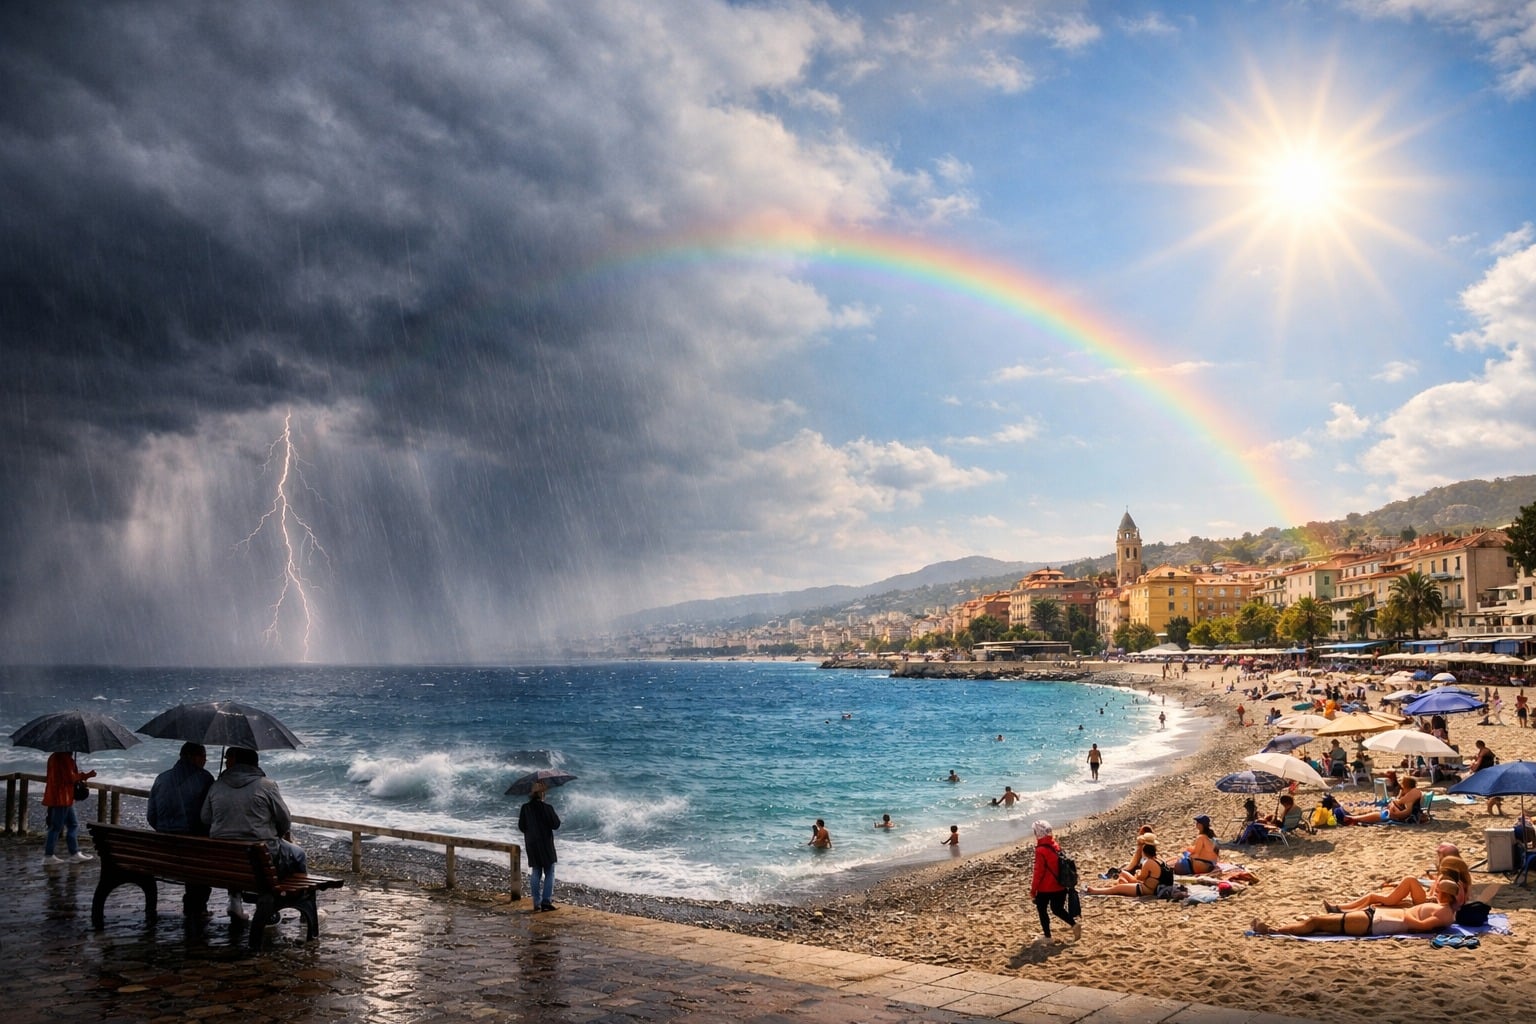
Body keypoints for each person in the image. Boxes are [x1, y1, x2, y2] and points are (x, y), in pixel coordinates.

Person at [202, 747, 306, 920]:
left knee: (239, 856)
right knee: (299, 854)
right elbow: (285, 820)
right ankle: (303, 906)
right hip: (262, 855)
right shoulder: (267, 785)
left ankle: (234, 900)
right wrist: (278, 834)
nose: (226, 762)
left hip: (225, 857)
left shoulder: (217, 785)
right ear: (255, 764)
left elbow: (205, 818)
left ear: (236, 762)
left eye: (228, 759)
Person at [1253, 878, 1459, 936]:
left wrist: (1406, 916)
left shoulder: (1443, 913)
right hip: (1379, 917)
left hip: (1377, 922)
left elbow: (1422, 927)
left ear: (1445, 894)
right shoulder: (1444, 909)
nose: (1436, 892)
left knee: (1316, 922)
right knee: (1319, 922)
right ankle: (1276, 929)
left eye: (1439, 890)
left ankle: (1272, 930)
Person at [147, 742, 214, 917]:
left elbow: (151, 816)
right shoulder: (205, 779)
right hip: (192, 851)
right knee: (202, 853)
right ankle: (197, 905)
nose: (205, 760)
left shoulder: (161, 778)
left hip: (163, 850)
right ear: (192, 757)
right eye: (203, 756)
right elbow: (208, 818)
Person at [1324, 844, 1470, 912]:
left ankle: (1342, 909)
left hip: (1428, 903)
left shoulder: (1454, 880)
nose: (1438, 859)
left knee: (1381, 896)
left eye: (1440, 856)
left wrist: (1434, 896)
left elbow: (1452, 903)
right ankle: (1341, 908)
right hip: (1427, 901)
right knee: (1376, 899)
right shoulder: (1454, 877)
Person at [1029, 820, 1080, 943]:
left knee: (1042, 910)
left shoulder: (1040, 850)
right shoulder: (1055, 846)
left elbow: (1038, 872)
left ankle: (1047, 936)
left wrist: (1033, 890)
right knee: (1057, 909)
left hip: (1045, 888)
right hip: (1060, 885)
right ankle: (1074, 924)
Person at [42, 750, 96, 865]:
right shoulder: (64, 758)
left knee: (72, 824)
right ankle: (49, 855)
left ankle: (74, 853)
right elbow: (70, 778)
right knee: (56, 827)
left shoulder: (53, 756)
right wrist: (86, 775)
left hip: (59, 796)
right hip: (62, 798)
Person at [518, 781, 562, 912]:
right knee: (549, 871)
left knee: (536, 871)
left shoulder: (525, 808)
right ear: (542, 794)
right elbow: (556, 824)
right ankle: (546, 902)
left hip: (531, 843)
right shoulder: (547, 808)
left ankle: (536, 903)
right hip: (545, 843)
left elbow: (521, 827)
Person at [1086, 840, 1170, 897]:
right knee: (1122, 873)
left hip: (1146, 889)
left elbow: (1141, 878)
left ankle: (1095, 891)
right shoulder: (1159, 859)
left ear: (1144, 852)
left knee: (1117, 889)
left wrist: (1138, 873)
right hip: (1151, 885)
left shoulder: (1148, 862)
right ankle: (1123, 882)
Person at [1342, 776, 1421, 824]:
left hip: (1402, 817)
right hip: (1394, 812)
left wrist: (1396, 814)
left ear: (1406, 786)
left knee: (1379, 815)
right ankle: (1355, 818)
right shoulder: (1409, 793)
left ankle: (1354, 819)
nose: (1401, 788)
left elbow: (1407, 812)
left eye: (1402, 786)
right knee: (1377, 813)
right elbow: (1399, 800)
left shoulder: (1412, 794)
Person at [1469, 740, 1504, 815]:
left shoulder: (1483, 751)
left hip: (1485, 771)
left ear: (1478, 745)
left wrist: (1473, 768)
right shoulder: (1486, 750)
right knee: (1493, 792)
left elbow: (1479, 762)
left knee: (1489, 790)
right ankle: (1499, 809)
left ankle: (1491, 808)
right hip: (1490, 770)